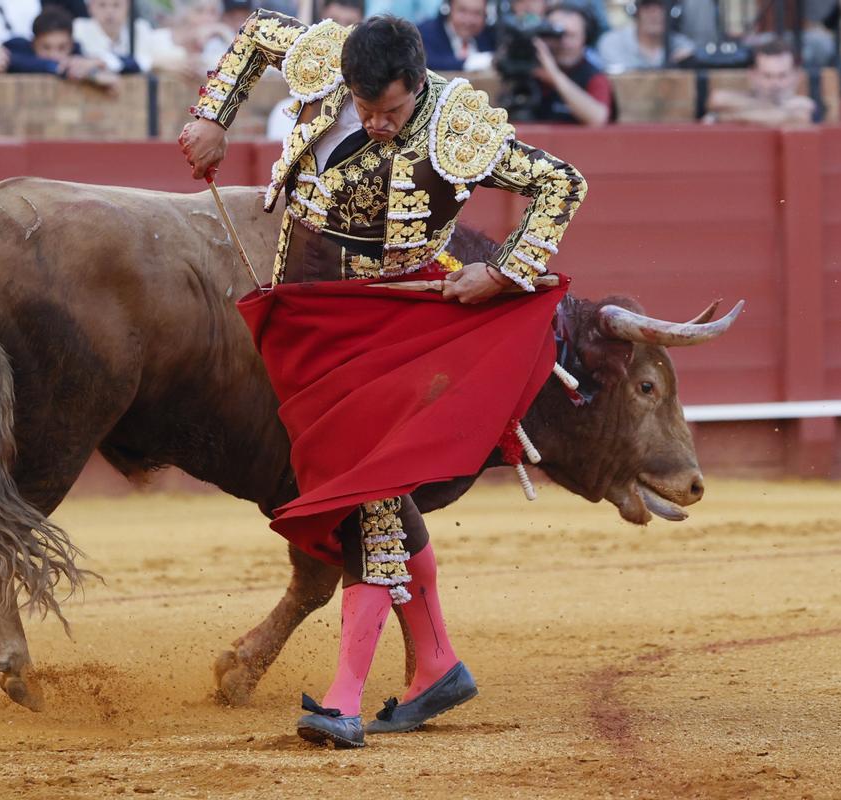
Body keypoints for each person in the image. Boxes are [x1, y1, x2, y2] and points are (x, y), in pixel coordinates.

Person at [181, 11, 586, 748]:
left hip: (388, 324)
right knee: (378, 493)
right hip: (307, 315)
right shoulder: (330, 59)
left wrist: (500, 274)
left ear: (418, 84)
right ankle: (434, 662)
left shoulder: (455, 126)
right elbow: (259, 34)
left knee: (365, 493)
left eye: (390, 111)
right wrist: (212, 117)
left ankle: (342, 698)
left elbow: (561, 182)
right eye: (363, 107)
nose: (373, 122)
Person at [266, 0, 365, 139]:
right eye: (334, 22)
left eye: (349, 24)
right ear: (321, 22)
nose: (339, 34)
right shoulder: (283, 114)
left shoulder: (366, 114)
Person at [0, 5, 120, 90]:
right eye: (46, 48)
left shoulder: (78, 52)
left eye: (62, 48)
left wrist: (97, 64)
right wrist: (64, 68)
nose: (54, 55)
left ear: (71, 44)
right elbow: (15, 61)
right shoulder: (17, 47)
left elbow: (133, 62)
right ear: (33, 43)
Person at [529, 4, 612, 125]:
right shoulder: (527, 68)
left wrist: (554, 75)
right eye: (556, 35)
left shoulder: (593, 76)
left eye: (571, 36)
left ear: (586, 38)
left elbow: (598, 118)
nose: (564, 43)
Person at [702, 38, 815, 125]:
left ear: (796, 76)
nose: (775, 83)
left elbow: (801, 115)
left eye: (782, 76)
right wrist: (777, 109)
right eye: (767, 76)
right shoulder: (794, 107)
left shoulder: (803, 105)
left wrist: (724, 117)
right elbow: (717, 99)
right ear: (752, 75)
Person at [597, 0, 695, 72]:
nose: (655, 15)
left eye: (662, 7)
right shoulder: (612, 43)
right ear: (635, 12)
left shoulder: (683, 46)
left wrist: (686, 63)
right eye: (647, 8)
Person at [417, 0, 496, 71]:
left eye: (477, 13)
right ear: (448, 9)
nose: (469, 20)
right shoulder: (425, 33)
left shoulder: (490, 35)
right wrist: (469, 62)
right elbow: (429, 64)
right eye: (462, 11)